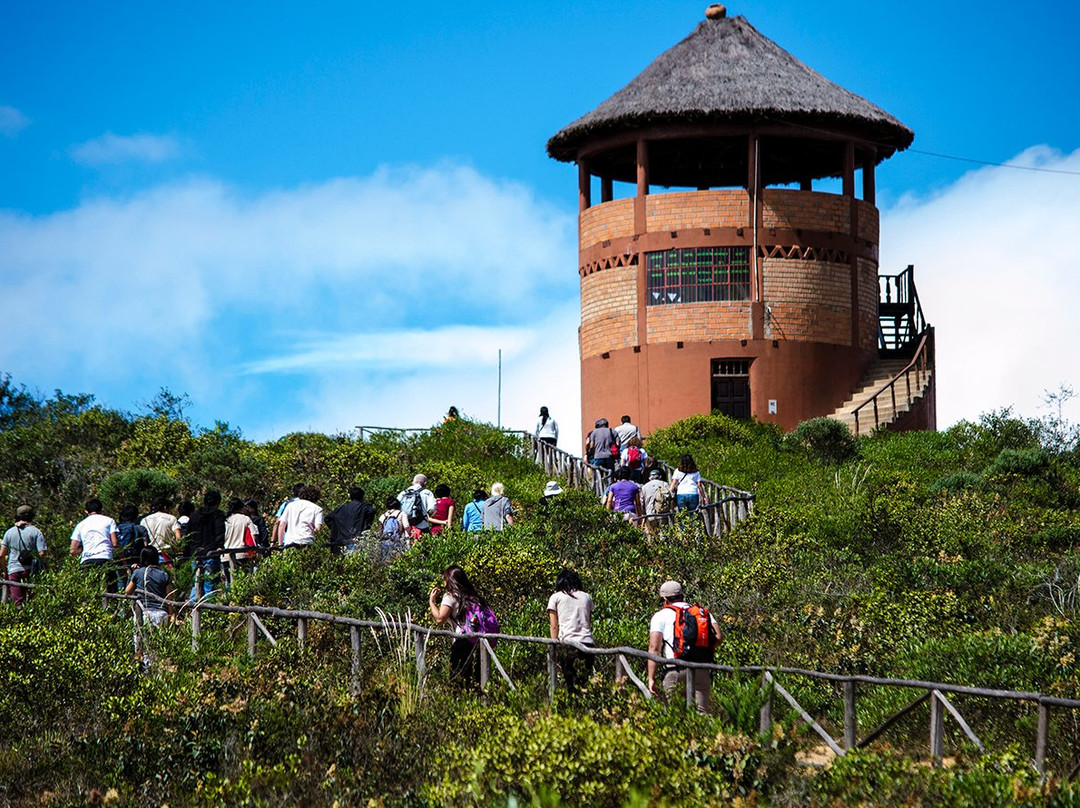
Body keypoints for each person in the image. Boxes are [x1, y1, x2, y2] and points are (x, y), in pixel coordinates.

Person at [647, 580, 719, 714]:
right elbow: (718, 637)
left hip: (675, 669)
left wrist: (651, 678)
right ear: (682, 595)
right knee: (702, 715)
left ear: (664, 599)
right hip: (701, 668)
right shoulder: (702, 613)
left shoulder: (660, 616)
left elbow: (654, 648)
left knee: (674, 715)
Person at [428, 565, 495, 686]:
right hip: (478, 643)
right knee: (478, 682)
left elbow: (439, 619)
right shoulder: (474, 596)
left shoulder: (451, 596)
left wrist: (432, 602)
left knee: (458, 682)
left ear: (449, 580)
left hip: (462, 641)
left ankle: (459, 703)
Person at [547, 569, 595, 693]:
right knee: (583, 684)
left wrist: (554, 649)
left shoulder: (556, 597)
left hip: (568, 645)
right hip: (588, 644)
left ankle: (572, 710)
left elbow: (553, 626)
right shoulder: (587, 597)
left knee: (570, 686)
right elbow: (588, 621)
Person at [70, 498, 120, 593]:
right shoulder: (109, 521)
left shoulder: (81, 525)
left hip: (87, 560)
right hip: (105, 558)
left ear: (86, 511)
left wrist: (84, 549)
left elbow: (72, 550)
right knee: (110, 590)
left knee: (90, 591)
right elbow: (115, 543)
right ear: (101, 509)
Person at [1, 505, 46, 608]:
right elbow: (42, 553)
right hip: (31, 569)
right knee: (33, 601)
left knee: (17, 603)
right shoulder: (36, 532)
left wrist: (5, 571)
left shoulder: (9, 532)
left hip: (13, 569)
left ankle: (19, 620)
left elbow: (1, 555)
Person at [188, 490, 226, 601]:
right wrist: (219, 546)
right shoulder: (218, 515)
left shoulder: (194, 516)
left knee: (196, 583)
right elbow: (219, 531)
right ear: (218, 502)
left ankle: (192, 608)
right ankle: (209, 611)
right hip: (211, 553)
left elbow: (188, 535)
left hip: (195, 554)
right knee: (210, 584)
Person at [326, 487, 375, 553]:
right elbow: (371, 511)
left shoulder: (341, 508)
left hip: (340, 542)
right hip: (356, 541)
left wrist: (337, 530)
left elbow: (327, 518)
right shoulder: (364, 508)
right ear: (362, 497)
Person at [223, 497, 256, 582]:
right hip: (242, 554)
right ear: (241, 507)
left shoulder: (226, 520)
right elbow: (254, 535)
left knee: (229, 582)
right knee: (243, 582)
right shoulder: (246, 519)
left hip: (225, 555)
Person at [116, 503, 150, 577]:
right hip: (136, 561)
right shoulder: (140, 529)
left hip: (119, 561)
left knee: (121, 584)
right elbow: (146, 546)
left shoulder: (116, 528)